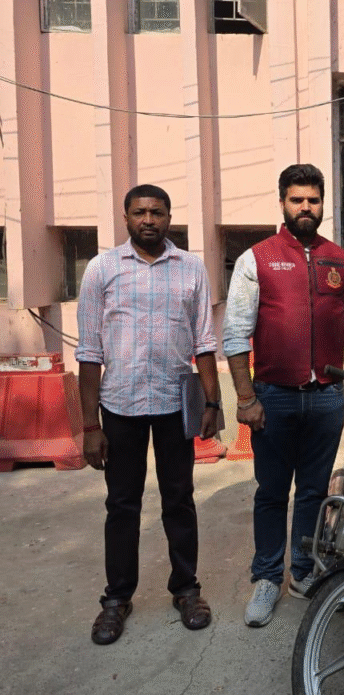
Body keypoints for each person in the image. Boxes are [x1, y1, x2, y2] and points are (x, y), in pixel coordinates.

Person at [223, 164, 344, 628]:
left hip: (326, 397)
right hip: (274, 396)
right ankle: (268, 577)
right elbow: (235, 334)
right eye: (297, 200)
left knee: (312, 491)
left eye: (313, 200)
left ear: (323, 204)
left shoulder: (342, 261)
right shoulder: (257, 259)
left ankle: (303, 571)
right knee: (271, 492)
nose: (305, 207)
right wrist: (246, 398)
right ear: (283, 203)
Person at [76, 185, 220, 645]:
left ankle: (186, 589)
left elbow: (204, 342)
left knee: (179, 499)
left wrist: (213, 403)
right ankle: (117, 598)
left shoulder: (191, 268)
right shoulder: (102, 269)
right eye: (139, 212)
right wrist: (90, 426)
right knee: (122, 505)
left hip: (175, 404)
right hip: (120, 405)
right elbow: (89, 352)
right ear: (125, 218)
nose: (149, 220)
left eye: (157, 212)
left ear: (169, 217)